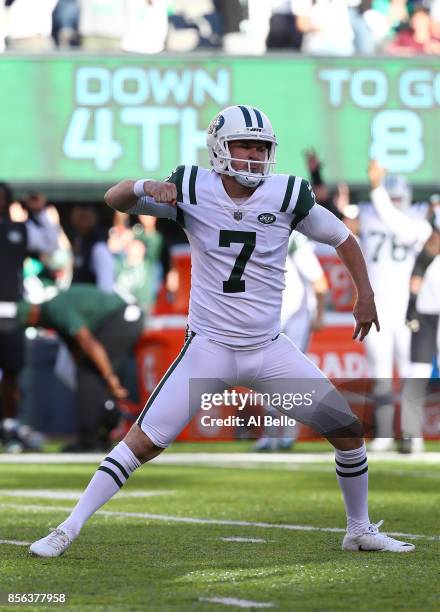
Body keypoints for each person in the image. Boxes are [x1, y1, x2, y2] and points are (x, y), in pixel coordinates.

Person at [29, 104, 415, 557]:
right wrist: (141, 187)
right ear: (218, 147)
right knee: (143, 442)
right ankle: (67, 528)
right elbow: (115, 200)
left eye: (261, 147)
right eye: (243, 145)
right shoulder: (192, 187)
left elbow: (342, 238)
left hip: (270, 350)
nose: (253, 155)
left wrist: (363, 294)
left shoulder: (287, 194)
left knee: (348, 430)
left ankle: (359, 529)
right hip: (208, 349)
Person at [355, 162, 432, 451]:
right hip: (379, 308)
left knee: (413, 374)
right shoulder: (369, 214)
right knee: (381, 375)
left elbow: (391, 217)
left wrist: (377, 189)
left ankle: (413, 435)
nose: (397, 203)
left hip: (409, 311)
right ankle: (385, 434)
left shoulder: (418, 222)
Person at [17, 284, 144, 452]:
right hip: (124, 317)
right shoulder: (53, 314)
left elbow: (87, 342)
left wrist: (109, 377)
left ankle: (88, 441)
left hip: (122, 318)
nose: (34, 326)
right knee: (88, 377)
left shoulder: (55, 309)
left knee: (89, 375)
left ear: (33, 312)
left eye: (30, 323)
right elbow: (75, 349)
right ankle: (102, 436)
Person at [0, 183, 59, 452]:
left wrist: (39, 212)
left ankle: (10, 425)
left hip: (10, 310)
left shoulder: (18, 229)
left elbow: (50, 242)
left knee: (12, 372)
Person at [70, 204, 115, 292]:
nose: (79, 222)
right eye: (77, 218)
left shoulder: (99, 248)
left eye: (84, 218)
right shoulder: (80, 240)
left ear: (93, 219)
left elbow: (106, 287)